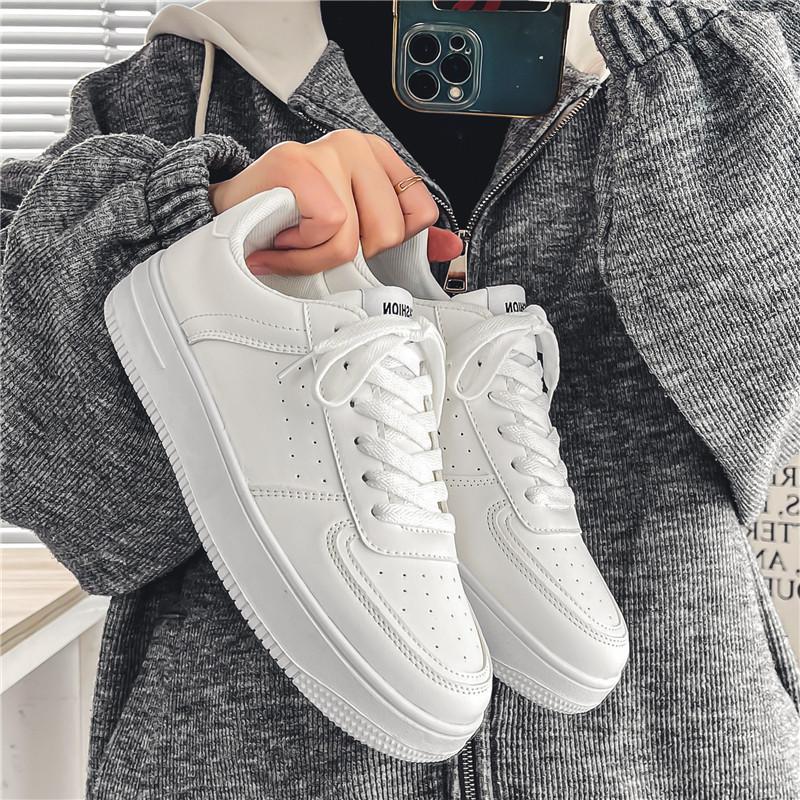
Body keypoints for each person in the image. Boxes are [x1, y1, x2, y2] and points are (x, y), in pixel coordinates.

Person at [2, 2, 798, 798]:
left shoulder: (733, 50)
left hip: (681, 748)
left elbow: (762, 398)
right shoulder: (179, 87)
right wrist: (194, 223)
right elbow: (73, 492)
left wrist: (681, 54)